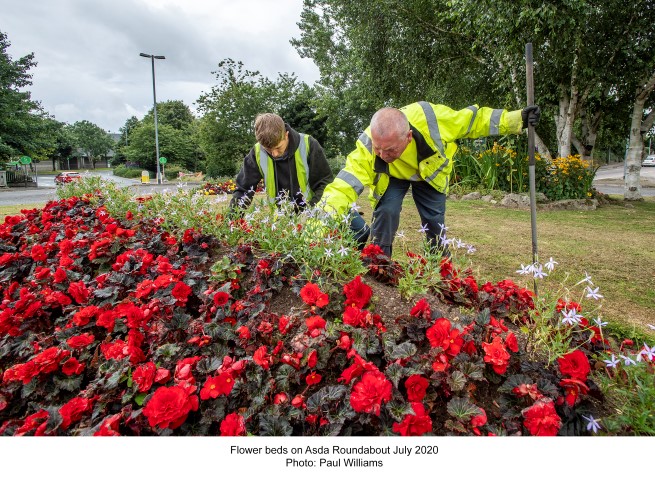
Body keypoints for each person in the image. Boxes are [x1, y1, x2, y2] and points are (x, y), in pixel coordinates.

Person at [319, 101, 540, 257]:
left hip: (429, 177)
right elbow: (344, 185)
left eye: (390, 150)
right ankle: (378, 263)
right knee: (386, 212)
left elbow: (473, 121)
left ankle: (440, 269)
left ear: (408, 137)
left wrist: (515, 118)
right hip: (392, 177)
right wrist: (318, 223)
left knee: (434, 222)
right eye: (378, 149)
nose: (383, 156)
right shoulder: (370, 145)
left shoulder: (433, 119)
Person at [229, 113, 333, 213]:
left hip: (312, 212)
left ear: (286, 135)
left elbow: (325, 184)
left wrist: (311, 211)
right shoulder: (257, 152)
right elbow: (243, 190)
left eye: (278, 148)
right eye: (268, 150)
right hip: (280, 217)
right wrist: (233, 220)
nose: (274, 154)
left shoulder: (308, 144)